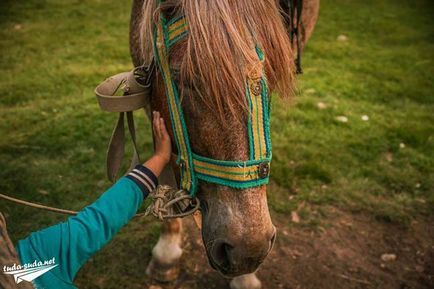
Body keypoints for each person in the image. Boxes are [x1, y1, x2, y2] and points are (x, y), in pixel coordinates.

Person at [9, 111, 171, 289]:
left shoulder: (36, 261)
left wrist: (160, 158)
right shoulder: (34, 260)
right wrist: (160, 157)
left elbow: (100, 219)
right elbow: (100, 219)